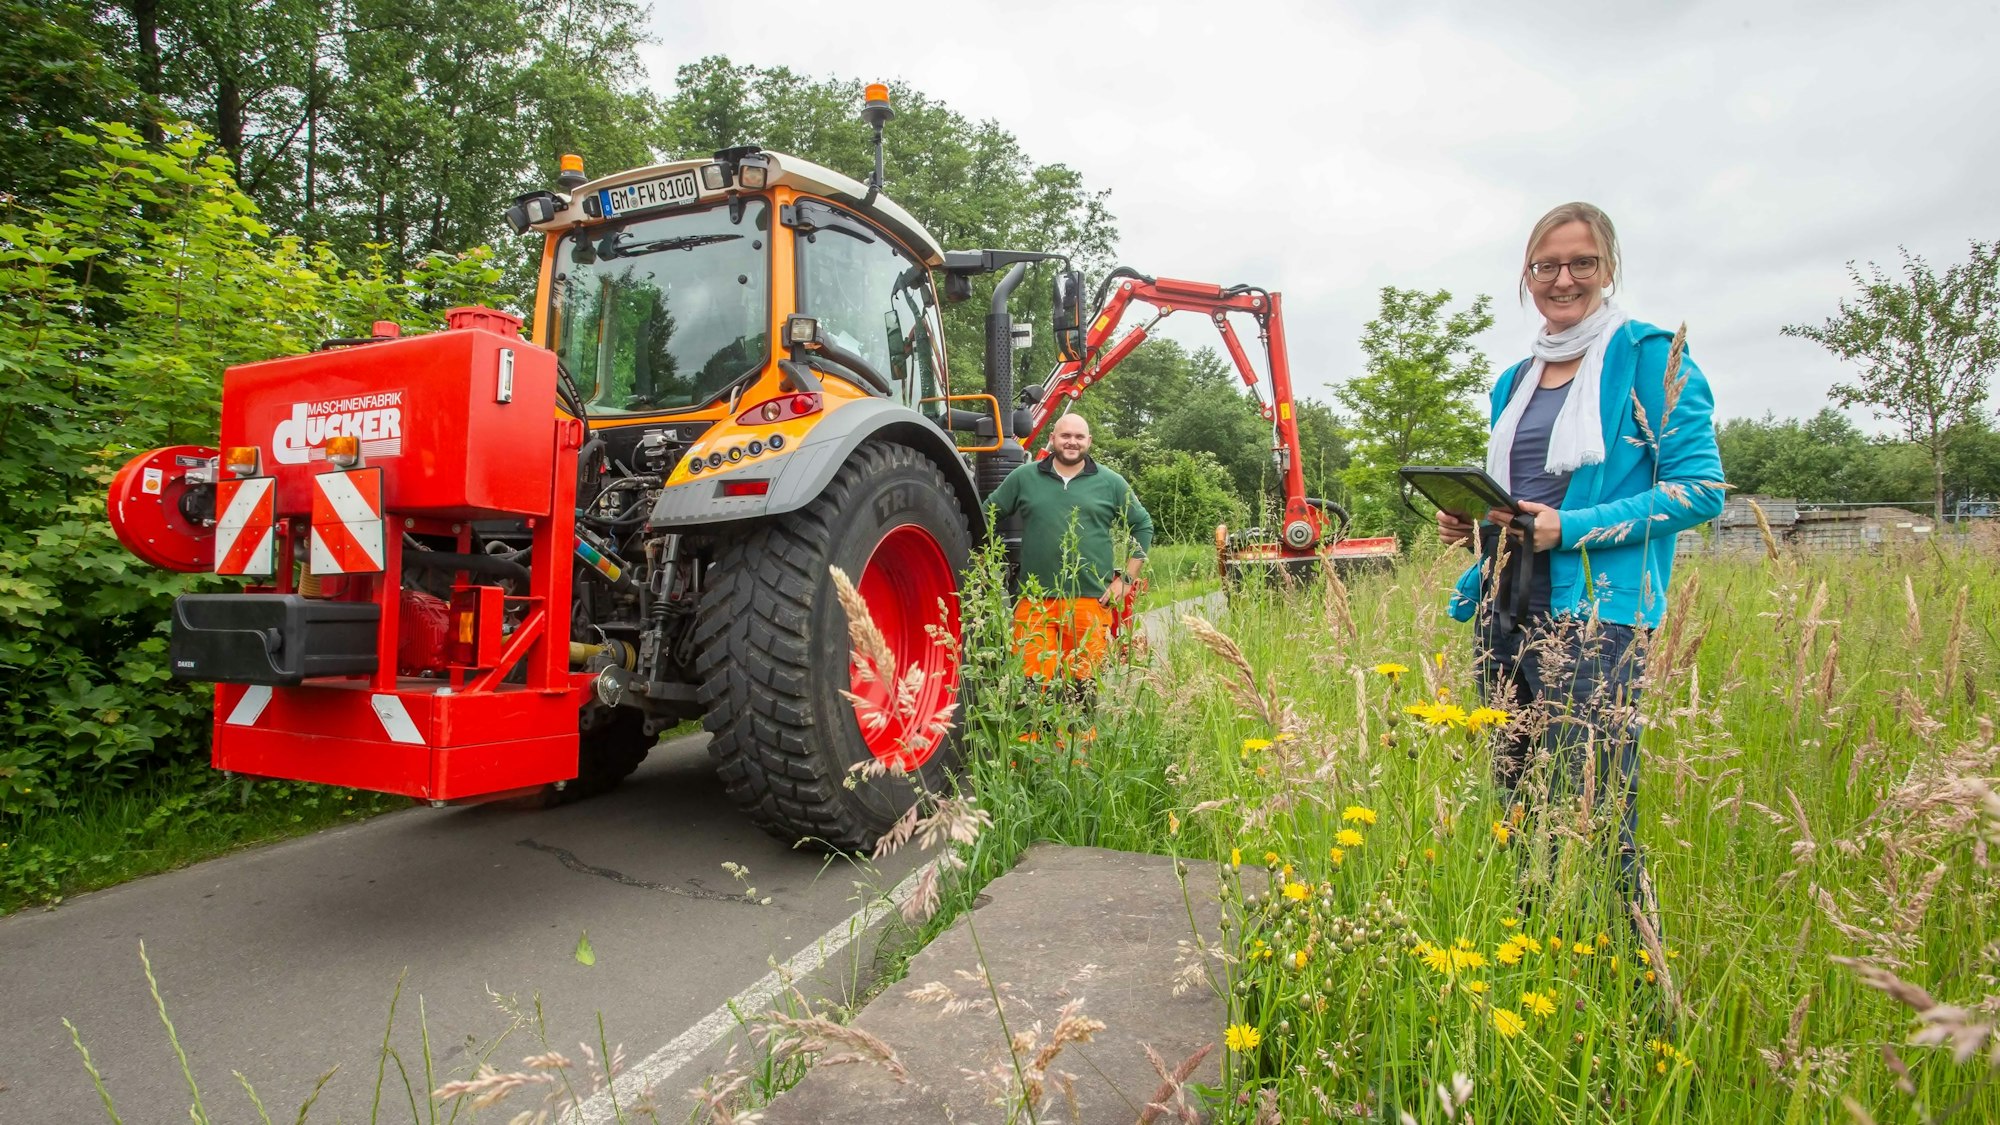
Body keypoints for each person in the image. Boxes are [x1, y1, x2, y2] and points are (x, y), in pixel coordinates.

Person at [1440, 202, 1726, 925]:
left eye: (1582, 263)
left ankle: (1629, 970)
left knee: (1595, 803)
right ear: (1527, 275)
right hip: (1508, 604)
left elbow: (1700, 491)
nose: (1563, 278)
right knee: (1517, 792)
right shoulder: (1515, 380)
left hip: (1597, 614)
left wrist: (1570, 528)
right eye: (1547, 265)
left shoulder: (1650, 358)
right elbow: (1525, 502)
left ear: (1608, 268)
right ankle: (1531, 937)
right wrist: (1476, 522)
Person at [985, 413, 1154, 691]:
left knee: (1081, 688)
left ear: (1089, 441)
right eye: (1065, 436)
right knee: (1032, 687)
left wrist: (1126, 580)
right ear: (1052, 439)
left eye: (1078, 437)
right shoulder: (1024, 478)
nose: (1071, 442)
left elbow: (1143, 525)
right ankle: (1035, 736)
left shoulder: (1110, 482)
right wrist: (984, 559)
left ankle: (1078, 736)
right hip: (1035, 600)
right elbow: (988, 512)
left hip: (1090, 601)